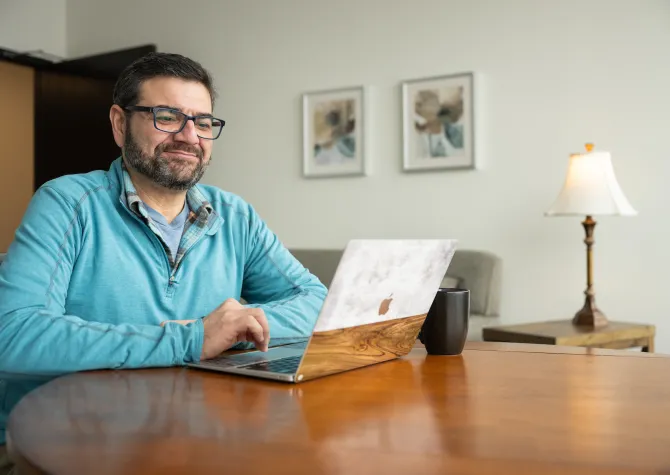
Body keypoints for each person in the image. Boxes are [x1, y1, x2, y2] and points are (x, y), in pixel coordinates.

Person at [0, 52, 328, 470]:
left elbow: (317, 302)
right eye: (167, 116)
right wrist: (191, 339)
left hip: (196, 436)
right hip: (65, 446)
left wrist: (235, 329)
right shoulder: (67, 203)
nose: (189, 136)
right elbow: (13, 333)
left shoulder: (235, 216)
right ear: (120, 124)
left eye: (203, 122)